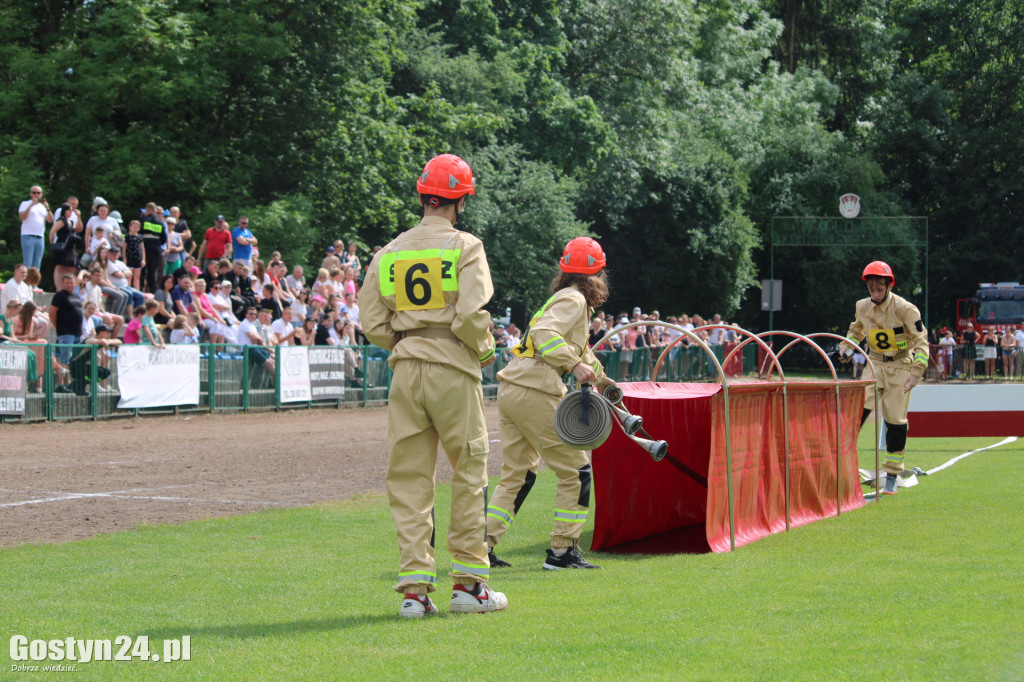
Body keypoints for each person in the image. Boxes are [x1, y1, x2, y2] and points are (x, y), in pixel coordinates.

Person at [361, 153, 506, 618]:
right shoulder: (466, 246)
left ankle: (414, 593)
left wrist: (406, 340)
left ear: (424, 196)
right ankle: (468, 586)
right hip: (452, 368)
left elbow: (371, 322)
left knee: (408, 480)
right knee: (469, 471)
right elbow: (469, 316)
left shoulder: (389, 251)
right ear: (461, 200)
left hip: (406, 369)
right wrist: (483, 350)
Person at [486, 237, 614, 571]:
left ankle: (479, 547)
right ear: (597, 274)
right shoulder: (574, 300)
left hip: (514, 386)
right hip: (536, 389)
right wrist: (573, 366)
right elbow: (545, 335)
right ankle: (561, 552)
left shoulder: (564, 298)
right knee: (576, 470)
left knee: (518, 474)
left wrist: (602, 380)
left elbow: (580, 352)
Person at [840, 261, 928, 495]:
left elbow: (921, 341)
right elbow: (856, 330)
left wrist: (915, 373)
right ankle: (843, 465)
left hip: (900, 365)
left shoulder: (906, 309)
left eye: (880, 288)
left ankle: (892, 474)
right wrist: (846, 349)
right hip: (874, 364)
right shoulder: (862, 306)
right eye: (871, 289)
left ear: (889, 285)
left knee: (895, 421)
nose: (875, 293)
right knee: (857, 412)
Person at [48, 202, 84, 289]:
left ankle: (67, 286)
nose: (71, 212)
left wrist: (78, 216)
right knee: (60, 267)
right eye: (69, 210)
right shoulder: (61, 221)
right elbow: (52, 231)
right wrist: (52, 243)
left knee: (70, 267)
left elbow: (79, 228)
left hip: (70, 248)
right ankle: (58, 287)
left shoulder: (70, 222)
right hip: (63, 246)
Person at [18, 186, 52, 270]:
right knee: (28, 262)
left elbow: (50, 220)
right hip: (28, 236)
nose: (36, 195)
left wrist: (48, 208)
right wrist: (31, 205)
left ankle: (34, 283)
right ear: (30, 194)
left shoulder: (42, 207)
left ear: (41, 194)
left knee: (37, 263)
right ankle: (25, 282)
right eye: (34, 192)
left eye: (38, 193)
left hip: (40, 237)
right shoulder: (25, 203)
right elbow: (22, 217)